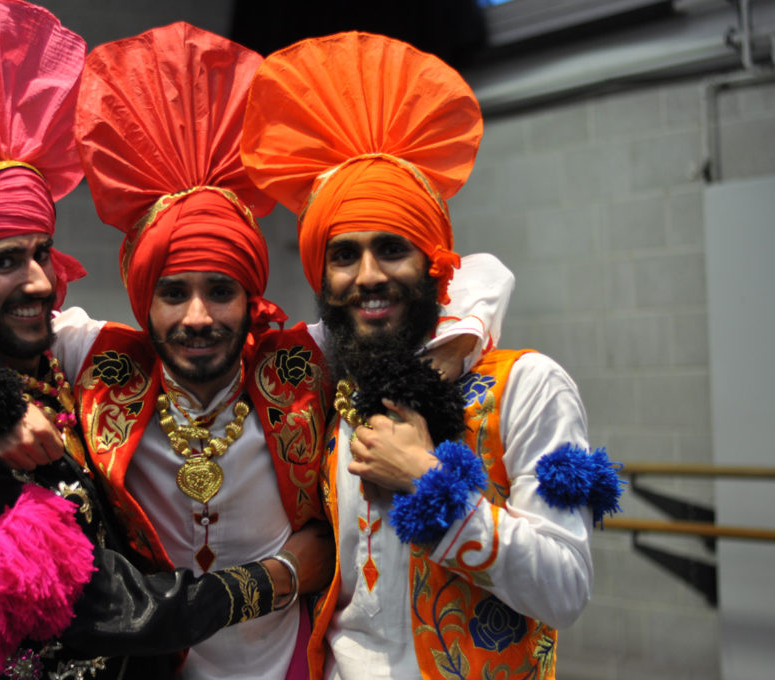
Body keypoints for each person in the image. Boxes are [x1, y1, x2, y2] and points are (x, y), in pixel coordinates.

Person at [0, 22, 513, 680]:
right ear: (140, 300)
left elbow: (474, 274)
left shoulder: (298, 366)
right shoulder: (100, 362)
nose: (198, 317)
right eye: (172, 293)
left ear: (252, 298)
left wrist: (448, 350)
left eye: (221, 291)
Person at [0, 3, 332, 678]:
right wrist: (285, 575)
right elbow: (102, 610)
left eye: (42, 253)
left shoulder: (60, 368)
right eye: (2, 261)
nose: (35, 282)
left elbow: (435, 298)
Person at [240, 30, 623, 680]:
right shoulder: (334, 386)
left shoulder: (529, 386)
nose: (366, 276)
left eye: (392, 248)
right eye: (343, 255)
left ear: (433, 262)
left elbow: (566, 588)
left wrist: (430, 483)